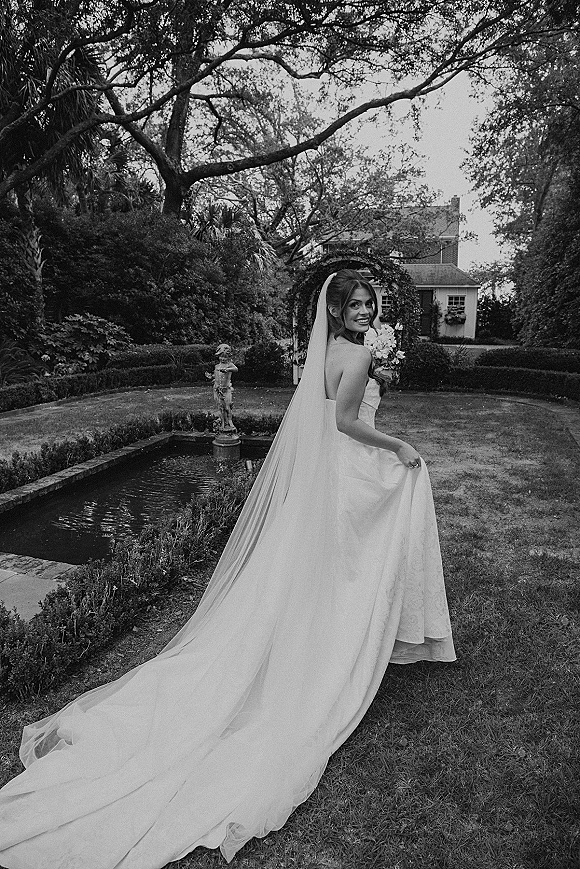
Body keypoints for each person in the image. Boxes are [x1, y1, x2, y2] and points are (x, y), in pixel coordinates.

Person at [0, 270, 455, 869]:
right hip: (350, 467)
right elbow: (345, 422)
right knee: (356, 552)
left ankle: (327, 635)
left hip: (330, 473)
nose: (365, 310)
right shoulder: (361, 352)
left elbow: (323, 414)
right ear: (338, 310)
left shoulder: (328, 351)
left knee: (321, 566)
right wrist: (396, 445)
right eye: (356, 304)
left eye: (370, 303)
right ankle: (341, 646)